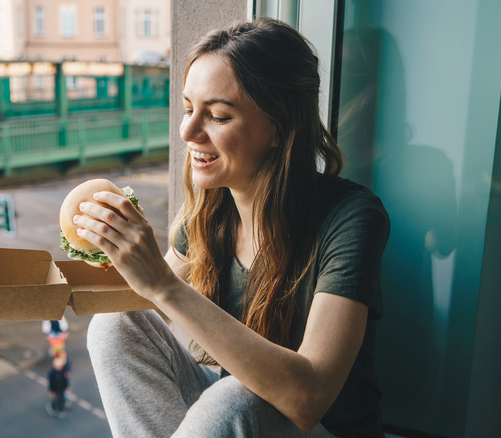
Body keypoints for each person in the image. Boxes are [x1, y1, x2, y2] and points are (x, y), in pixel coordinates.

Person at [80, 18, 390, 438]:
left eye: (218, 116)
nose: (187, 131)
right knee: (115, 325)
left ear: (280, 128)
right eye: (189, 109)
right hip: (237, 415)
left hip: (320, 428)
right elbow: (137, 297)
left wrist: (164, 286)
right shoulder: (211, 214)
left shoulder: (351, 217)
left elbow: (308, 397)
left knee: (233, 399)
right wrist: (101, 252)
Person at [46, 350, 71, 419]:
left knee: (61, 399)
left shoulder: (63, 371)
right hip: (56, 389)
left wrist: (67, 386)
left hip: (61, 388)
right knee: (56, 400)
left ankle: (60, 409)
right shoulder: (52, 373)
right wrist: (51, 391)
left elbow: (65, 380)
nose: (60, 367)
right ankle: (53, 408)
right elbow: (51, 383)